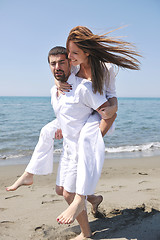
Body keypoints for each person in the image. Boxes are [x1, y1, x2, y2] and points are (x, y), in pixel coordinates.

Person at [56, 26, 141, 229]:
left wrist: (113, 109)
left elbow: (112, 95)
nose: (70, 56)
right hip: (84, 116)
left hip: (102, 117)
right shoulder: (74, 67)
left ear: (88, 52)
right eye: (69, 51)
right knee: (74, 145)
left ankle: (80, 199)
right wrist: (57, 83)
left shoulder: (106, 68)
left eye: (74, 53)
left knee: (87, 141)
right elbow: (59, 74)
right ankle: (92, 198)